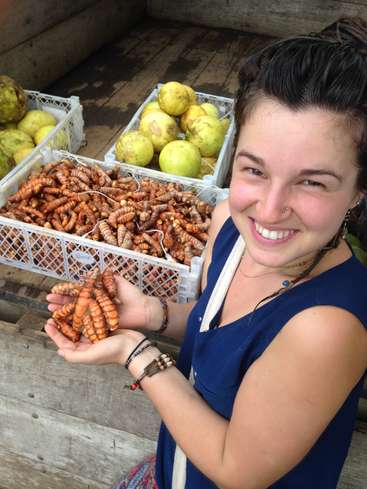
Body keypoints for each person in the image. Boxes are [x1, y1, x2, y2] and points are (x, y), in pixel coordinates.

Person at [45, 16, 367, 489]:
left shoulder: (328, 328)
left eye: (313, 182)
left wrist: (135, 353)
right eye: (254, 170)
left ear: (359, 191)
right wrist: (153, 313)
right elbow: (217, 323)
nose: (271, 209)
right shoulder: (229, 228)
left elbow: (235, 468)